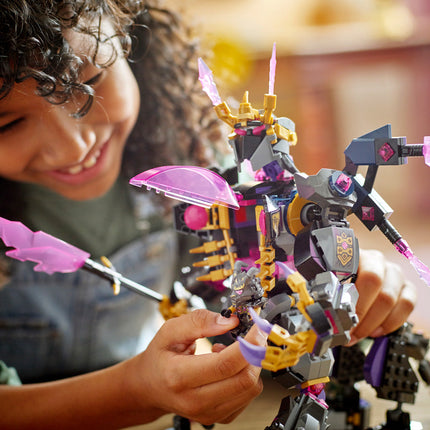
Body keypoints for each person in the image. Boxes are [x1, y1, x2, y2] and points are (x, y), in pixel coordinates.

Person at [0, 0, 417, 428]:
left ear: (129, 38)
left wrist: (339, 275)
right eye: (8, 124)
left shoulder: (195, 156)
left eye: (89, 83)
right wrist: (135, 391)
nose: (73, 147)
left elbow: (249, 293)